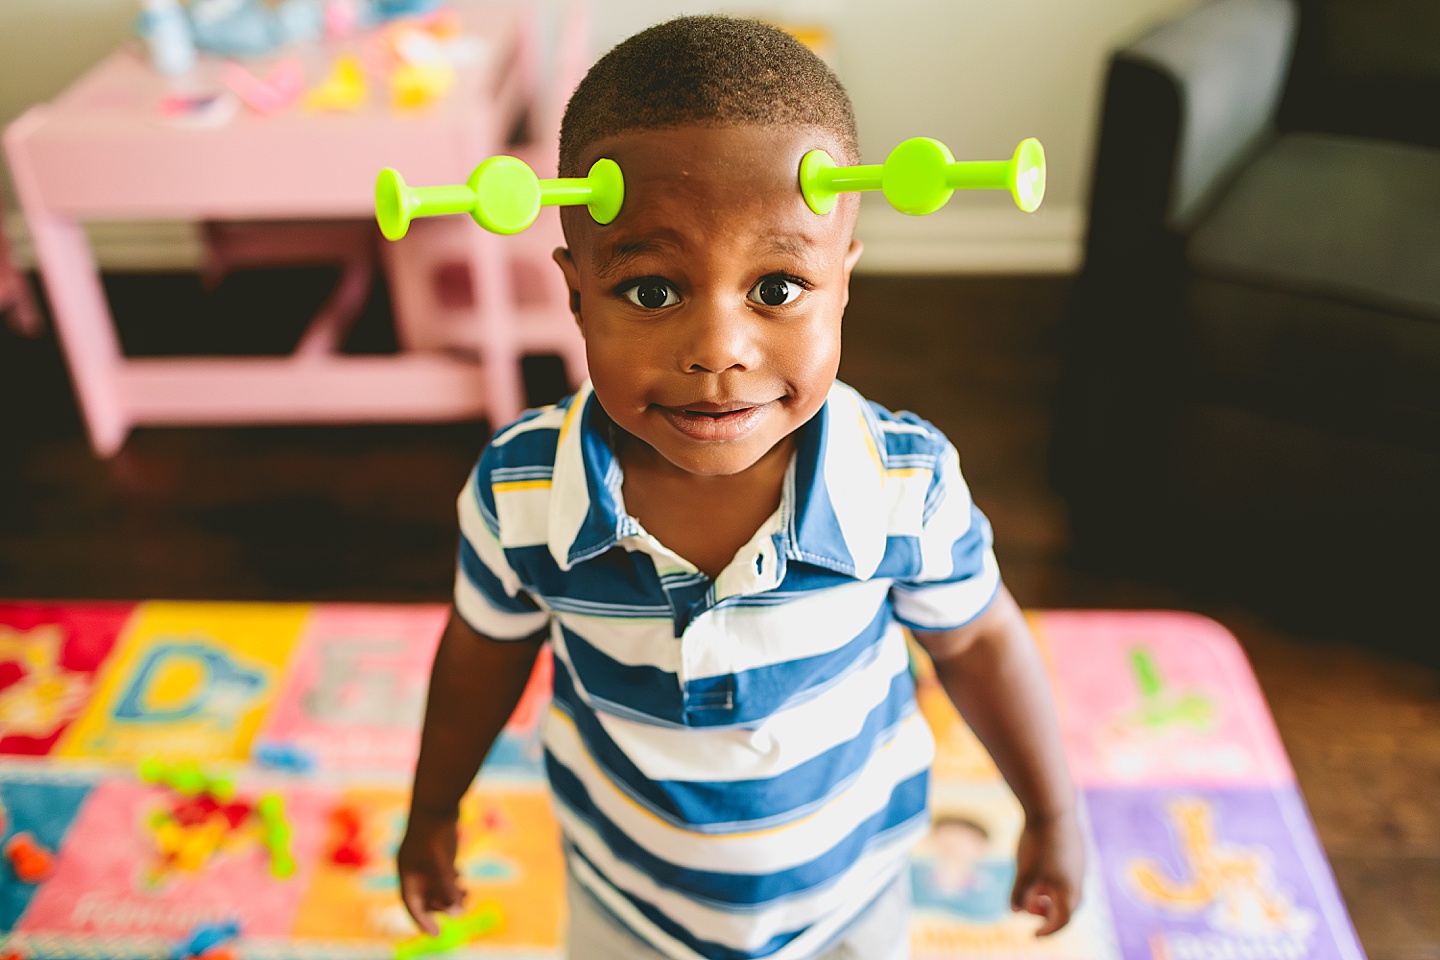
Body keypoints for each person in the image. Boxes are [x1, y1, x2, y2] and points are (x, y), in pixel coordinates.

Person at [396, 15, 1083, 960]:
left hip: (849, 894)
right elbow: (482, 652)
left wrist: (1051, 807)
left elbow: (977, 638)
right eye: (650, 290)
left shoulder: (903, 483)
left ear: (843, 281)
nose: (718, 349)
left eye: (776, 288)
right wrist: (434, 807)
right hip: (626, 900)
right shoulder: (519, 494)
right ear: (576, 291)